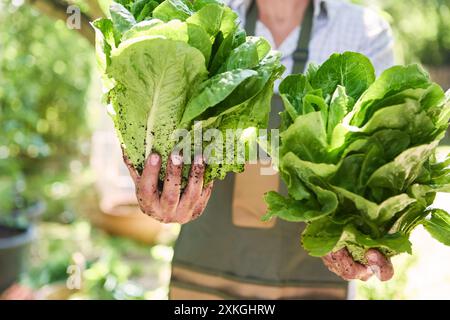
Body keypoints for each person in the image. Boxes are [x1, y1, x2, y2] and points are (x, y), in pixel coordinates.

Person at [124, 0, 396, 299]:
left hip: (311, 281)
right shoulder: (199, 15)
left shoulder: (363, 33)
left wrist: (370, 231)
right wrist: (156, 187)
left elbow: (375, 163)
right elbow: (147, 134)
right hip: (205, 279)